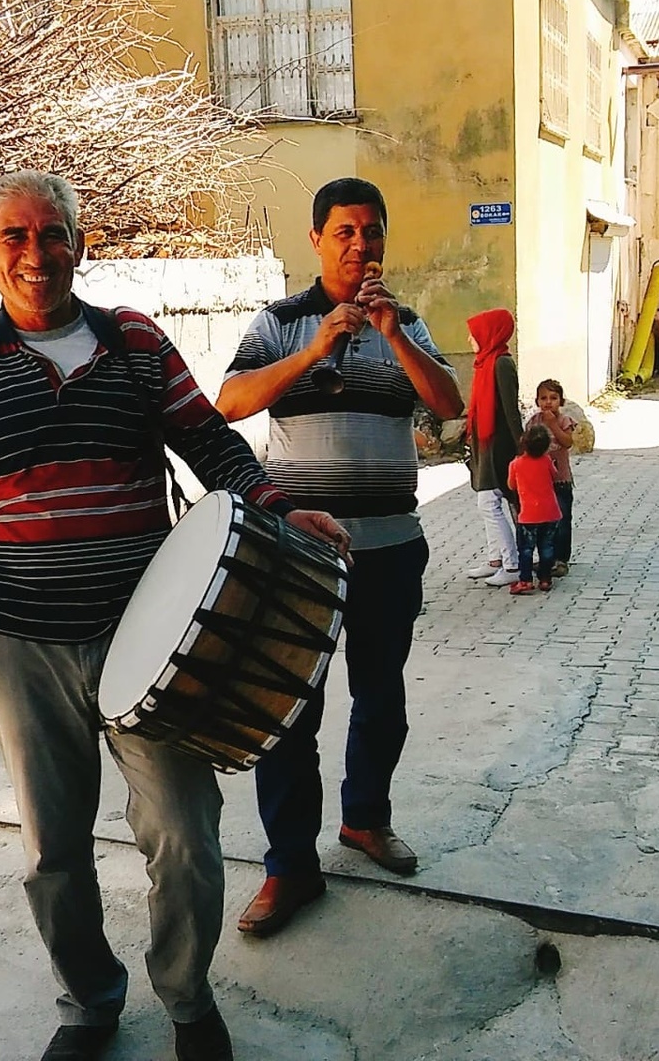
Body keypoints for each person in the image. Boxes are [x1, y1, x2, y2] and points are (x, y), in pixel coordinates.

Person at [0, 171, 349, 1061]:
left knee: (186, 836)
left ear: (78, 244)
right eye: (13, 237)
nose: (35, 253)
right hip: (21, 642)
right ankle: (90, 1002)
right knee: (52, 850)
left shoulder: (136, 342)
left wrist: (281, 508)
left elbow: (210, 441)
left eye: (51, 233)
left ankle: (184, 996)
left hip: (153, 636)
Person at [216, 177, 462, 937]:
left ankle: (365, 820)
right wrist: (316, 348)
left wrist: (390, 335)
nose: (362, 246)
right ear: (317, 239)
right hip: (299, 552)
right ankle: (290, 867)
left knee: (381, 696)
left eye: (373, 233)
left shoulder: (408, 323)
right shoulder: (280, 321)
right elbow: (227, 403)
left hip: (391, 549)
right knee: (289, 709)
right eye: (346, 232)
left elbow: (450, 406)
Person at [464, 308, 523, 586]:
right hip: (484, 443)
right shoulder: (484, 362)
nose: (469, 339)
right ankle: (495, 559)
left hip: (499, 444)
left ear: (489, 333)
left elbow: (511, 410)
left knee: (489, 502)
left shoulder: (501, 364)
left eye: (474, 333)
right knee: (484, 500)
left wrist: (521, 447)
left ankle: (511, 565)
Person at [524, 379, 577, 575]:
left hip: (560, 481)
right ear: (537, 401)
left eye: (553, 398)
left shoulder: (564, 421)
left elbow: (567, 442)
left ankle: (561, 559)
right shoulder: (534, 422)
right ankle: (547, 557)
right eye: (544, 398)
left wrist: (553, 425)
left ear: (561, 401)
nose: (548, 402)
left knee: (562, 520)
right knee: (544, 522)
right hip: (540, 482)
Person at [506, 423, 562, 593]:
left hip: (529, 515)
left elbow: (511, 485)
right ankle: (545, 579)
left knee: (526, 549)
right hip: (550, 512)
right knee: (547, 547)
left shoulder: (516, 464)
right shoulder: (546, 461)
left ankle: (525, 580)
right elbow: (555, 476)